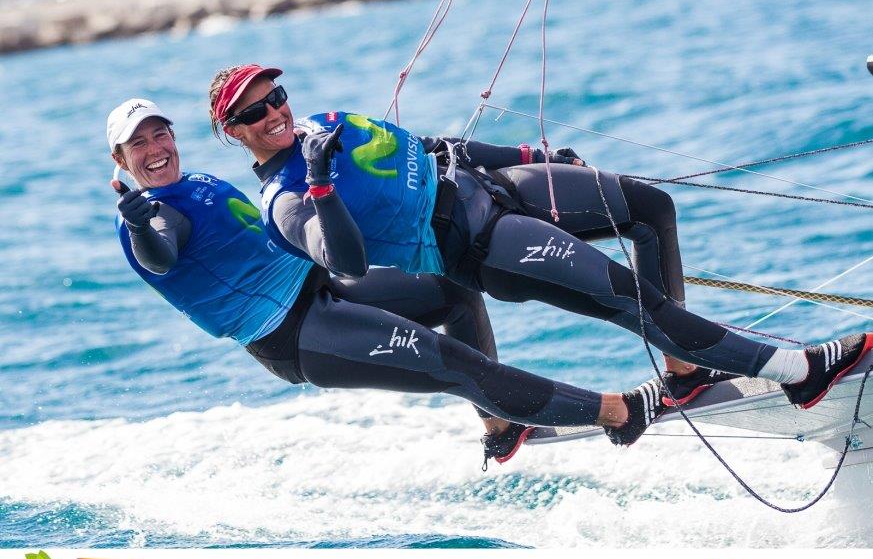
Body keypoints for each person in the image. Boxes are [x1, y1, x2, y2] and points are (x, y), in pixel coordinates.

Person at [206, 64, 873, 429]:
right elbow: (345, 262)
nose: (274, 113)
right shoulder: (285, 198)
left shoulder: (326, 121)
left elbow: (435, 148)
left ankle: (684, 372)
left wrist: (529, 153)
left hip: (493, 186)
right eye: (254, 113)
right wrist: (321, 178)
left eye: (276, 96)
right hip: (481, 241)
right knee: (629, 297)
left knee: (648, 208)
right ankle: (800, 371)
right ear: (234, 133)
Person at [107, 97, 684, 474]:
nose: (156, 150)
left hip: (322, 286)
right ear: (120, 158)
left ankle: (500, 427)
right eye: (140, 145)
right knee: (458, 366)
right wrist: (138, 221)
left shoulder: (196, 183)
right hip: (296, 332)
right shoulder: (154, 214)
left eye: (161, 135)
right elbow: (160, 252)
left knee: (454, 289)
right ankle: (619, 412)